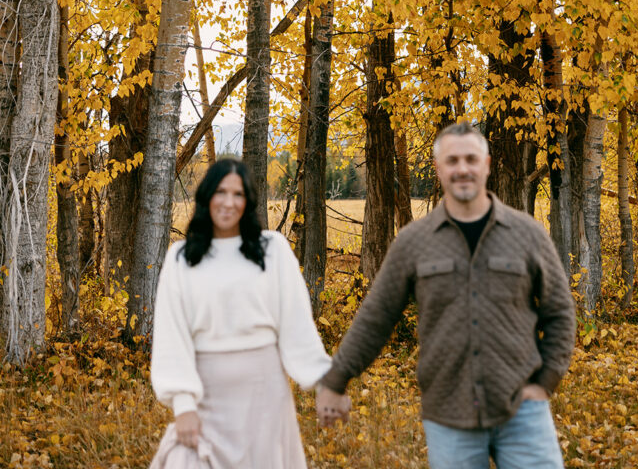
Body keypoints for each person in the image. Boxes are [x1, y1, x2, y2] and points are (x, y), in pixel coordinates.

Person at [316, 120, 575, 469]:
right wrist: (336, 380)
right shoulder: (414, 242)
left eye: (471, 159)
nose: (462, 169)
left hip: (522, 410)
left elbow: (560, 314)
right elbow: (375, 318)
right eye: (452, 161)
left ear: (487, 164)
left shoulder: (527, 234)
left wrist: (545, 383)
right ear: (438, 169)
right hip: (448, 415)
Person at [150, 157, 338, 469]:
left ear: (248, 201)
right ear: (207, 196)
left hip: (263, 397)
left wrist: (327, 383)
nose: (228, 203)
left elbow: (297, 328)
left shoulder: (272, 250)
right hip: (206, 397)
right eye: (221, 192)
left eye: (238, 194)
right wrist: (183, 405)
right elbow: (172, 336)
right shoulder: (181, 258)